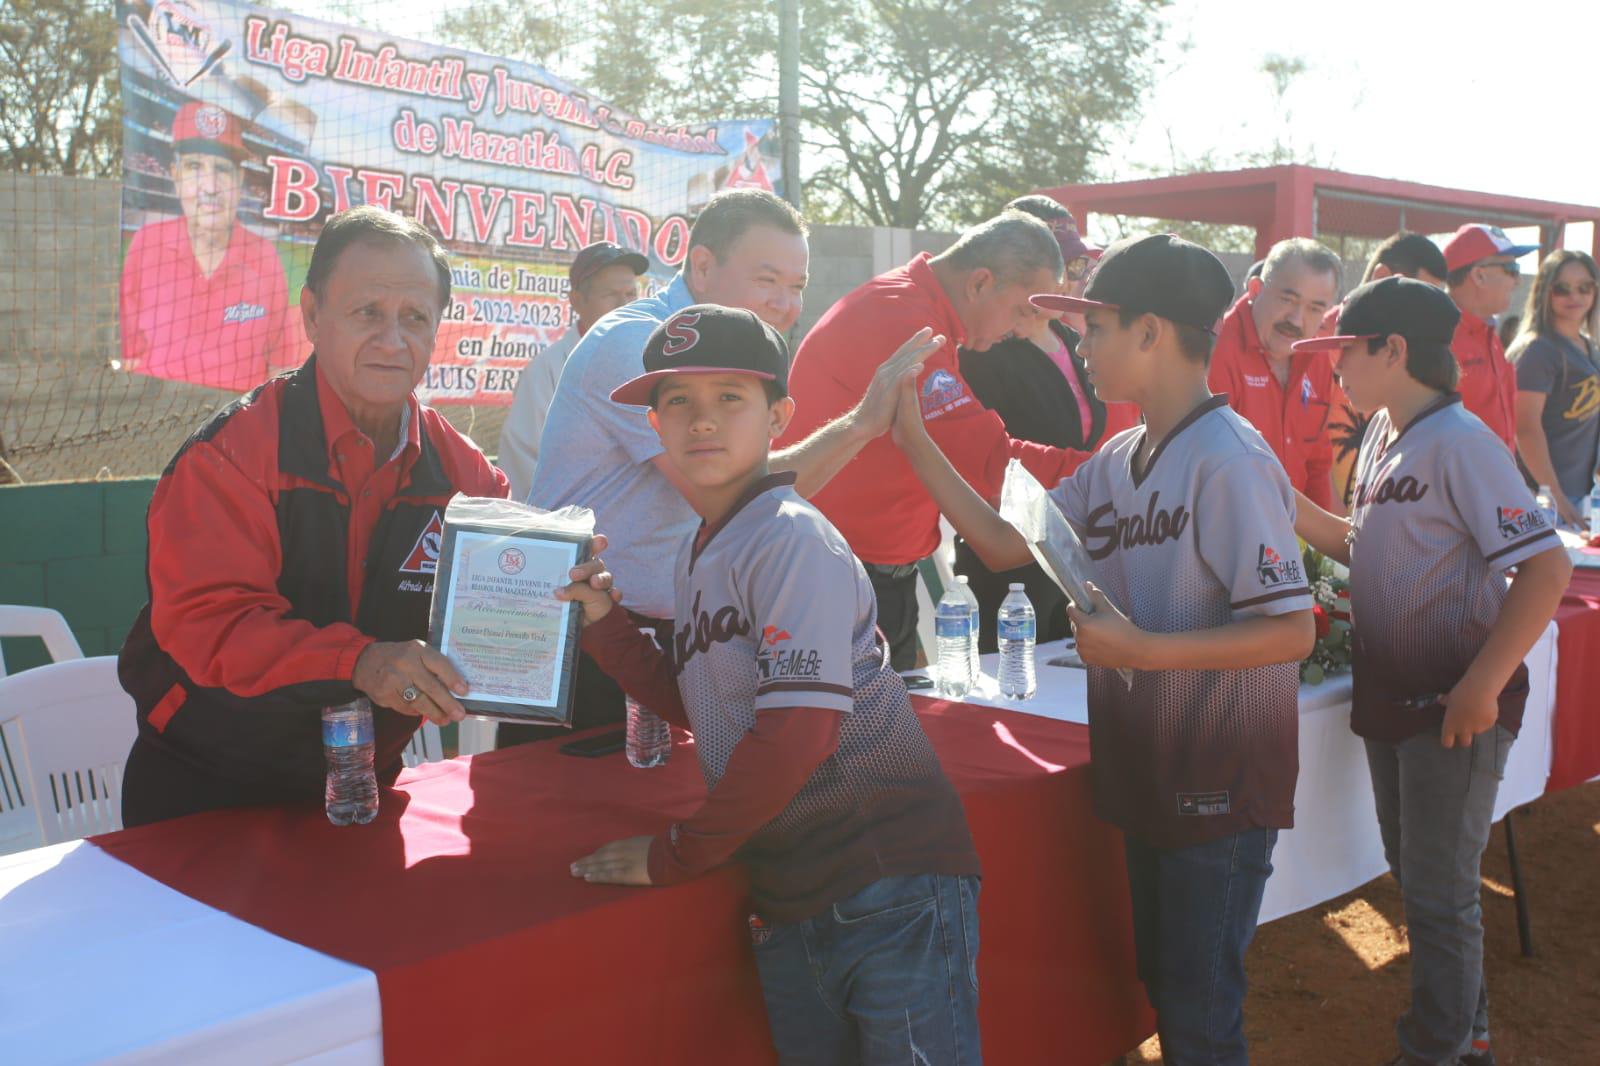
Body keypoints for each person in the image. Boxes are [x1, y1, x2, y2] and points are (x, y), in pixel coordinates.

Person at [891, 234, 1315, 1064]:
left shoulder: (1228, 459)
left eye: (1097, 327)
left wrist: (1143, 650)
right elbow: (1008, 542)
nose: (1080, 347)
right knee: (1167, 992)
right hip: (1149, 772)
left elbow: (1291, 629)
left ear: (1152, 332)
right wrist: (909, 435)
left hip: (1218, 785)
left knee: (1200, 1017)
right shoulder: (1120, 457)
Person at [562, 305, 982, 1064]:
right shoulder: (705, 546)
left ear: (778, 416)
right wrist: (604, 620)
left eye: (730, 397)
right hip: (798, 889)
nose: (701, 420)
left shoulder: (788, 534)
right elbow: (700, 700)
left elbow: (797, 733)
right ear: (653, 425)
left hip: (885, 879)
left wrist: (678, 854)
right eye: (678, 401)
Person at [117, 206, 508, 827]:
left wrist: (567, 600)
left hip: (362, 791)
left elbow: (500, 610)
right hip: (207, 790)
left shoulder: (469, 478)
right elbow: (212, 624)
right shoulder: (232, 456)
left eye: (414, 317)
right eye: (366, 313)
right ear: (310, 316)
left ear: (437, 329)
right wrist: (361, 662)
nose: (392, 339)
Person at [524, 189, 935, 736]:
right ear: (701, 266)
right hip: (587, 639)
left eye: (796, 287)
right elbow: (738, 498)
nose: (785, 305)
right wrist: (860, 424)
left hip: (664, 640)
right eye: (766, 281)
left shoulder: (731, 354)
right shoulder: (636, 342)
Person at [1290, 277, 1572, 1066]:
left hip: (1452, 701)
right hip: (1396, 700)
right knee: (1424, 886)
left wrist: (1480, 686)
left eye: (1345, 349)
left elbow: (1545, 570)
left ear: (1393, 349)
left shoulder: (1463, 439)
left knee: (1441, 896)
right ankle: (1464, 1037)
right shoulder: (1385, 428)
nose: (1334, 367)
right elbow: (1362, 544)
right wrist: (1282, 502)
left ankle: (1438, 1049)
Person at [779, 210, 1088, 669]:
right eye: (1022, 310)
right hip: (841, 579)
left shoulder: (917, 307)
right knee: (857, 737)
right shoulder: (905, 319)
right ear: (980, 282)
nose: (1021, 329)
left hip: (872, 574)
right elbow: (989, 462)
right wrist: (1112, 472)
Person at [954, 195, 1137, 650]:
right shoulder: (983, 348)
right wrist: (1098, 474)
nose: (1072, 279)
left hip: (1070, 548)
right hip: (1008, 554)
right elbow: (984, 456)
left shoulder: (1074, 338)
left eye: (1077, 265)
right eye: (1065, 265)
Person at [120, 101, 291, 393]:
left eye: (222, 169)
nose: (210, 186)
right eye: (195, 166)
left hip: (235, 430)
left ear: (239, 181)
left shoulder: (265, 257)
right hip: (156, 424)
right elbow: (130, 357)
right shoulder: (146, 244)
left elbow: (280, 366)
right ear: (176, 176)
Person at [497, 241, 649, 499]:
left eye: (631, 294)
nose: (624, 306)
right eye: (611, 295)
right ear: (577, 301)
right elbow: (522, 463)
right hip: (571, 526)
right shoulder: (547, 369)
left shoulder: (650, 361)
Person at [1208, 237, 1347, 510]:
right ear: (1256, 288)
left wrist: (1321, 550)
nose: (1296, 319)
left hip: (1291, 538)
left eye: (1314, 308)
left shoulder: (1318, 356)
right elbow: (1206, 469)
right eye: (1288, 299)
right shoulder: (1214, 350)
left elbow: (1317, 464)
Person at [1509, 250, 1600, 525]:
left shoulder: (1589, 347)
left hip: (1582, 495)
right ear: (1544, 292)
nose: (1575, 297)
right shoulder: (1538, 349)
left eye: (1584, 287)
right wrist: (1555, 497)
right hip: (1542, 500)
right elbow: (1525, 429)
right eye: (1562, 289)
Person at [1442, 223, 1540, 451]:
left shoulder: (1489, 335)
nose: (1517, 281)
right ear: (1479, 275)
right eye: (1511, 269)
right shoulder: (1439, 336)